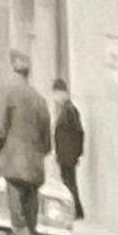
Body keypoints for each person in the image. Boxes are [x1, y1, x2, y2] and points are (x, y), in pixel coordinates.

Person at [0, 50, 55, 235]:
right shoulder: (40, 100)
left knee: (19, 226)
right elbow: (47, 144)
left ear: (12, 69)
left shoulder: (8, 93)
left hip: (14, 169)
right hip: (35, 171)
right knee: (30, 226)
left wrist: (4, 152)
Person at [48, 76, 89, 220]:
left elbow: (79, 133)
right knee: (68, 182)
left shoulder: (69, 110)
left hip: (68, 155)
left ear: (63, 93)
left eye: (56, 94)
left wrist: (76, 153)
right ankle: (76, 210)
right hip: (65, 154)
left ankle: (76, 211)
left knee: (69, 183)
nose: (55, 98)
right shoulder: (64, 110)